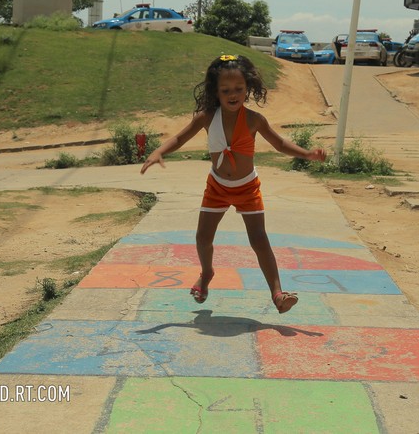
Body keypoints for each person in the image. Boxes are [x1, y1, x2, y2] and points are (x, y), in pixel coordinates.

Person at [140, 54, 327, 313]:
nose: (233, 94)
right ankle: (206, 274)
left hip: (247, 188)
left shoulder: (254, 120)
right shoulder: (206, 117)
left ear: (248, 89)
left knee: (259, 240)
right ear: (215, 92)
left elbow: (280, 144)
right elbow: (180, 138)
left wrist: (306, 153)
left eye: (239, 89)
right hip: (216, 186)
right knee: (202, 238)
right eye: (225, 90)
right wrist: (158, 151)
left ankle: (277, 294)